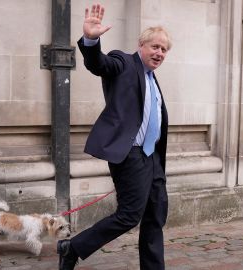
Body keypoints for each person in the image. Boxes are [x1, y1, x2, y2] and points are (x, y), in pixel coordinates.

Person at [57, 3, 171, 270]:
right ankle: (72, 247)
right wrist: (91, 40)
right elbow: (99, 63)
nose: (159, 53)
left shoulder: (153, 81)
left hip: (152, 156)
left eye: (164, 49)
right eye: (155, 46)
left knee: (156, 215)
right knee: (130, 216)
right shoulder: (124, 63)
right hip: (130, 154)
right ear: (141, 46)